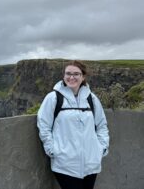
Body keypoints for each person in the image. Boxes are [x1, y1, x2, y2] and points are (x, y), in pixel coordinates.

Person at [37, 60, 109, 189]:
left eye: (76, 74)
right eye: (68, 73)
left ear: (83, 77)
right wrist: (52, 150)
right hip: (65, 164)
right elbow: (44, 125)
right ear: (63, 76)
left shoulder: (91, 99)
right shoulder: (53, 98)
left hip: (91, 164)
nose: (71, 77)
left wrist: (101, 147)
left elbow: (102, 125)